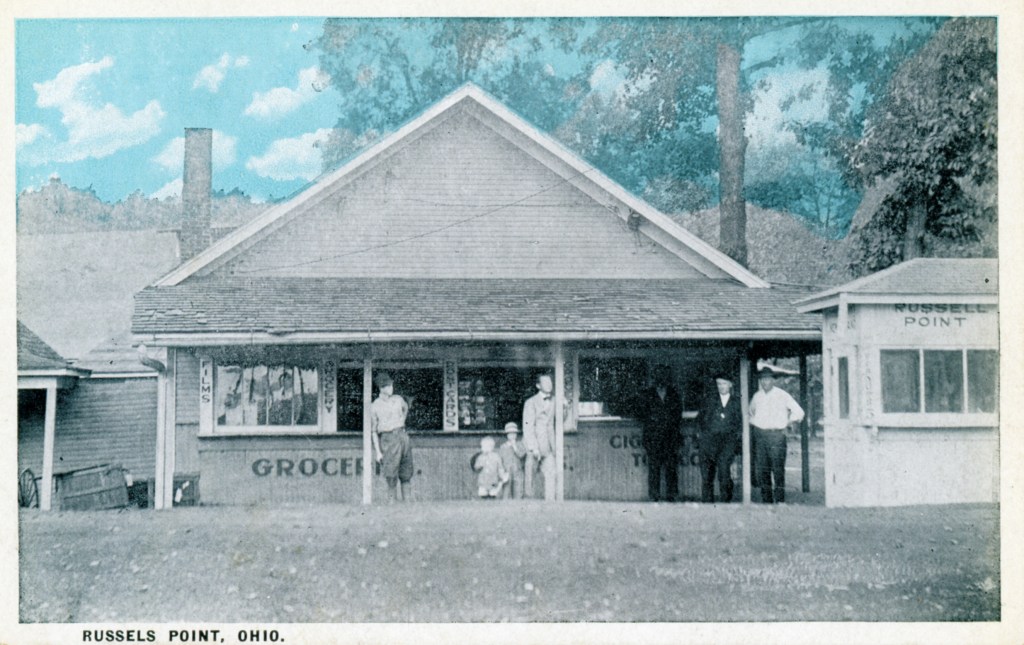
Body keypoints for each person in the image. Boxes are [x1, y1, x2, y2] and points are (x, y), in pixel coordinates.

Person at [749, 367, 804, 504]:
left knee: (778, 469)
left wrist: (788, 422)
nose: (765, 382)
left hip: (777, 436)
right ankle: (766, 501)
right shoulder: (757, 396)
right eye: (762, 379)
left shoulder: (782, 395)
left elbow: (799, 412)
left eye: (768, 379)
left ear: (773, 380)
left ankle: (780, 501)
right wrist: (757, 423)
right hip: (761, 436)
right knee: (763, 470)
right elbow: (750, 413)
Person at [697, 372, 743, 503]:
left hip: (727, 443)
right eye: (719, 384)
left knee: (724, 472)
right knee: (707, 475)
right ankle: (707, 504)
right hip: (709, 442)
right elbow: (700, 419)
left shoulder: (737, 402)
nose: (721, 386)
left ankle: (725, 502)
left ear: (730, 385)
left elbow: (739, 423)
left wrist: (736, 441)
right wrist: (702, 437)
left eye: (724, 383)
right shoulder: (709, 400)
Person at [639, 365, 683, 502]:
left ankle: (672, 495)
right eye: (658, 375)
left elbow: (678, 415)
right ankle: (654, 496)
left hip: (670, 438)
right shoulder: (647, 394)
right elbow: (641, 414)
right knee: (654, 468)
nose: (661, 379)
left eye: (663, 375)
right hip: (653, 438)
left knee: (671, 468)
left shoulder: (674, 394)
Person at [370, 372, 414, 503]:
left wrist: (402, 421)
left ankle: (408, 503)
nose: (391, 388)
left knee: (406, 471)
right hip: (388, 437)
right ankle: (392, 504)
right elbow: (373, 431)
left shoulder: (398, 399)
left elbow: (406, 408)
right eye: (387, 386)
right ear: (381, 388)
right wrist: (378, 452)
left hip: (402, 435)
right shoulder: (375, 405)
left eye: (391, 385)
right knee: (391, 473)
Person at [522, 373, 557, 501]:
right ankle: (528, 504)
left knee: (551, 474)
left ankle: (550, 504)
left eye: (550, 382)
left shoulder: (554, 401)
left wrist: (565, 407)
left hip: (549, 445)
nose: (549, 385)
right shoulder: (530, 402)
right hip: (535, 445)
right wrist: (533, 447)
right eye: (545, 382)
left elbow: (559, 420)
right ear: (538, 385)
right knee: (530, 477)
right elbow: (528, 426)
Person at [498, 422, 527, 499]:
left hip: (518, 471)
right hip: (507, 472)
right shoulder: (503, 447)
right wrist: (502, 472)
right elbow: (500, 460)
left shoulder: (520, 444)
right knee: (506, 492)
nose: (512, 436)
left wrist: (515, 446)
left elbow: (521, 455)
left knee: (518, 491)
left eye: (514, 433)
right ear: (507, 435)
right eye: (510, 434)